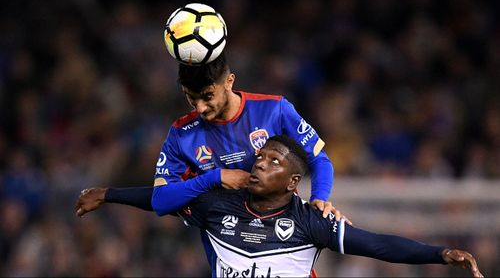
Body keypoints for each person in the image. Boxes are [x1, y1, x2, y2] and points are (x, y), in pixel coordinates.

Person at [148, 135, 483, 278]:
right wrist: (106, 194)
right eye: (260, 157)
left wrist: (439, 254)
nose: (260, 164)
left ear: (293, 181)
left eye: (273, 161)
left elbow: (378, 244)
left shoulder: (312, 222)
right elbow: (155, 199)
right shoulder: (218, 206)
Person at [76, 52, 346, 220]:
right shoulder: (182, 134)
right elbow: (162, 199)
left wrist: (319, 198)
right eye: (191, 99)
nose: (201, 108)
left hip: (286, 239)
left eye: (207, 97)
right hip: (228, 253)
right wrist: (215, 177)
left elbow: (319, 159)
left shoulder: (274, 109)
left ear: (228, 82)